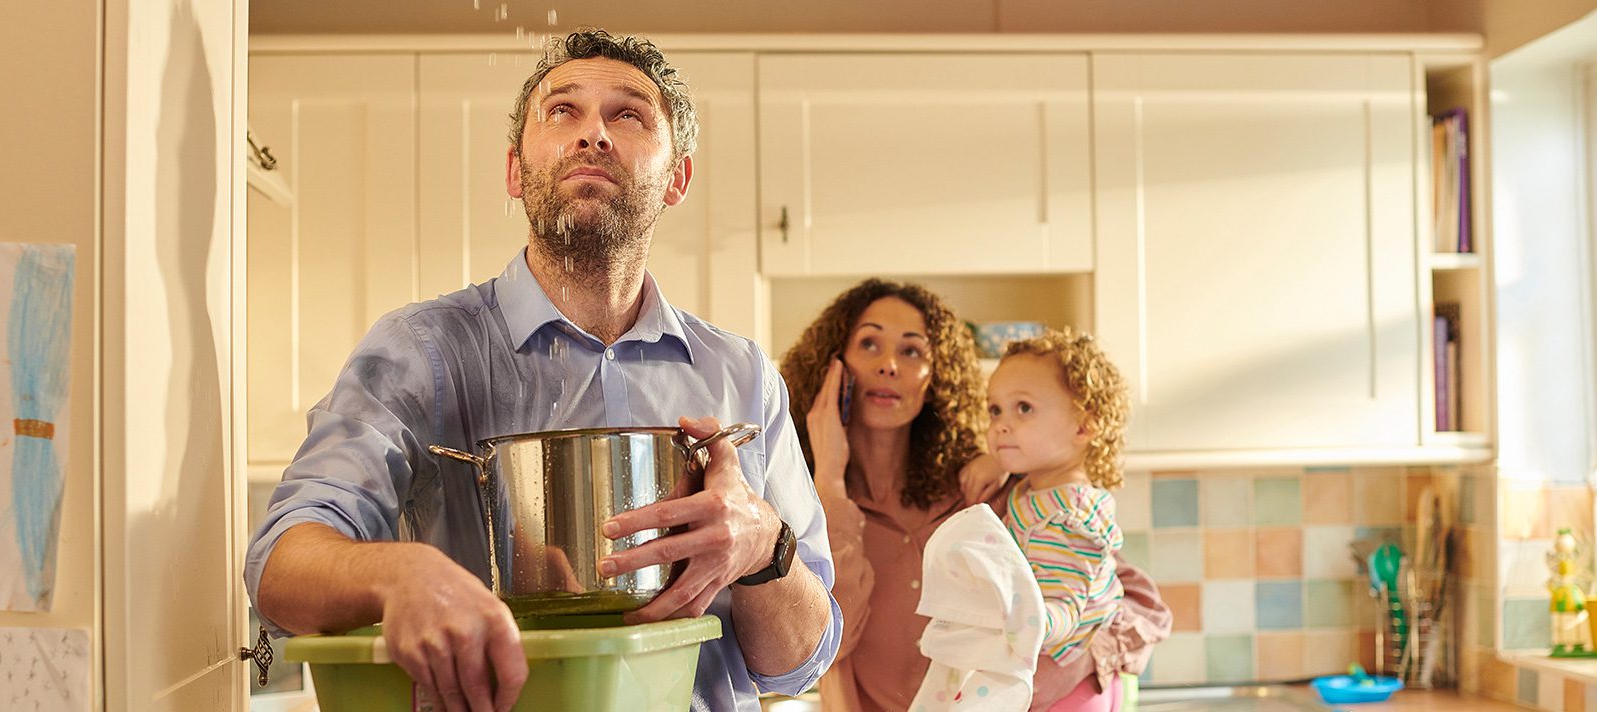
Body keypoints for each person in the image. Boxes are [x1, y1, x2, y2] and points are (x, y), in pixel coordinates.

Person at [245, 28, 839, 712]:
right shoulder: (422, 350)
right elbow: (279, 566)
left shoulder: (742, 375)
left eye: (628, 114)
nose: (594, 135)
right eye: (562, 112)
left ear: (677, 178)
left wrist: (764, 545)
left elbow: (797, 665)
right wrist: (399, 573)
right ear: (513, 170)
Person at [780, 284, 1168, 712]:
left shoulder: (986, 493)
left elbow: (1138, 603)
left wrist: (1072, 663)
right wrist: (830, 479)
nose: (889, 364)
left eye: (912, 351)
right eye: (869, 343)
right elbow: (818, 649)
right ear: (833, 365)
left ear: (937, 375)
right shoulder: (804, 508)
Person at [983, 329, 1132, 711]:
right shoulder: (1039, 491)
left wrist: (1027, 626)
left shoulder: (1067, 517)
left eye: (1024, 408)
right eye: (995, 410)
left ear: (1084, 426)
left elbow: (1064, 603)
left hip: (1067, 693)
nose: (1001, 424)